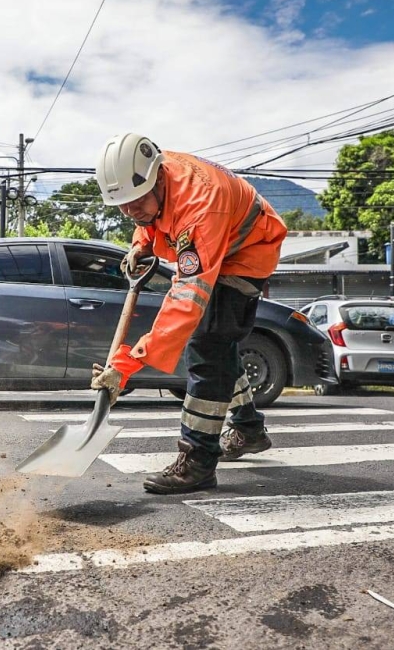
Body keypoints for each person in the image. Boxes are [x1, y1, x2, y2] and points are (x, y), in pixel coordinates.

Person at [91, 133, 288, 494]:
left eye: (135, 202)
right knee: (220, 345)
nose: (130, 212)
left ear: (157, 178)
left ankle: (197, 461)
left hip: (246, 251)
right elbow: (150, 215)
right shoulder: (152, 179)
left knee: (207, 345)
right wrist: (141, 243)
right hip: (221, 236)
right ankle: (248, 428)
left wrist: (127, 364)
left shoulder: (200, 206)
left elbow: (186, 301)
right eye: (122, 206)